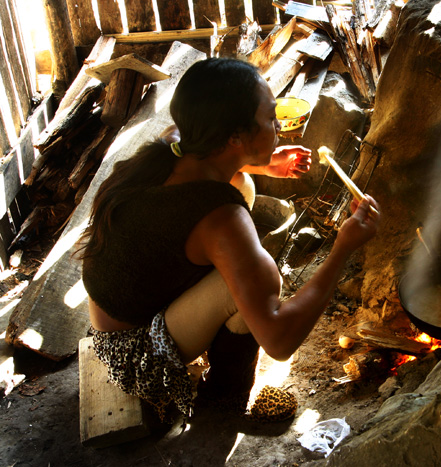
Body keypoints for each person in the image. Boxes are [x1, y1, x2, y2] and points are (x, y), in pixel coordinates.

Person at [79, 58, 380, 422]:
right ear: (235, 138)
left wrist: (264, 164)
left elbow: (218, 159)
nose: (279, 127)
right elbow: (279, 341)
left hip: (119, 309)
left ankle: (213, 356)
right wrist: (343, 248)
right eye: (271, 119)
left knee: (242, 184)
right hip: (134, 354)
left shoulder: (174, 141)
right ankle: (223, 399)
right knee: (255, 282)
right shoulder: (221, 219)